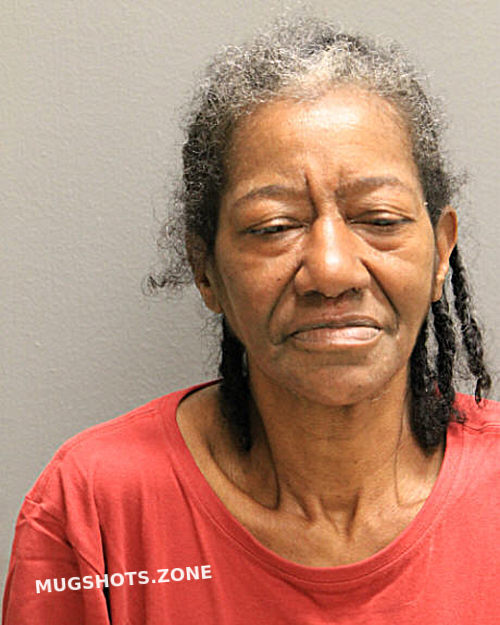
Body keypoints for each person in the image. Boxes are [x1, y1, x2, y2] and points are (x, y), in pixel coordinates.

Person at [3, 15, 498, 625]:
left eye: (380, 219)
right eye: (274, 227)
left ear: (441, 251)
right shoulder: (93, 508)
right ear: (205, 270)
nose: (332, 270)